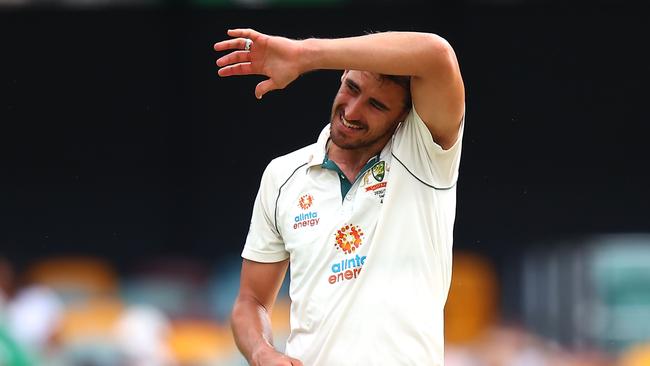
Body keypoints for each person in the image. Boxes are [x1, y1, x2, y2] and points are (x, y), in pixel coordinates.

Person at [214, 28, 465, 366]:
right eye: (352, 87)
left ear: (404, 117)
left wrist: (305, 55)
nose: (353, 111)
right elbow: (251, 302)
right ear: (342, 75)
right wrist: (262, 352)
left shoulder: (423, 154)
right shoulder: (282, 175)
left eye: (376, 105)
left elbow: (436, 54)